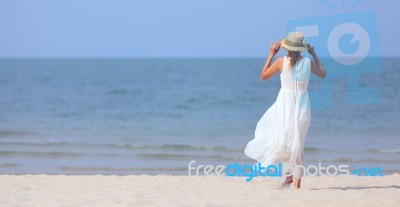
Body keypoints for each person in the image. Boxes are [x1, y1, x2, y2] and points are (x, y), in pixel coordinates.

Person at [244, 31, 326, 189]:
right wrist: (314, 53)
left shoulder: (281, 61)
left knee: (285, 141)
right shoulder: (308, 62)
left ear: (287, 48)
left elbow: (263, 76)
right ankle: (293, 180)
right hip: (303, 107)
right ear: (302, 49)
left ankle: (294, 182)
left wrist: (271, 54)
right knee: (296, 143)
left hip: (285, 106)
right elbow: (323, 74)